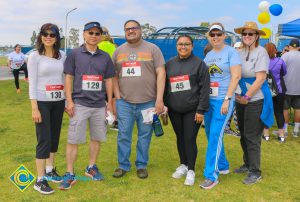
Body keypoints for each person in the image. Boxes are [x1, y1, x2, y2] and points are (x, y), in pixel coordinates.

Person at [59, 21, 115, 190]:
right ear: (84, 34)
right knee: (73, 139)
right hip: (80, 104)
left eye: (97, 33)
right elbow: (68, 78)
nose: (93, 36)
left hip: (99, 105)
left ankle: (91, 167)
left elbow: (109, 80)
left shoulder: (105, 56)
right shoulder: (74, 54)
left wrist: (110, 103)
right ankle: (69, 173)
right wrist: (69, 100)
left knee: (97, 138)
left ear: (101, 36)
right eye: (90, 33)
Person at [112, 19, 165, 179]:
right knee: (123, 135)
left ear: (140, 30)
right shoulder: (118, 51)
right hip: (125, 103)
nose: (130, 31)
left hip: (148, 102)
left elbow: (161, 73)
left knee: (144, 135)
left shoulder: (153, 49)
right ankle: (123, 165)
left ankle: (141, 165)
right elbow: (113, 76)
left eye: (134, 28)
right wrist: (117, 96)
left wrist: (159, 99)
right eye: (127, 29)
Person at [199, 23, 241, 189]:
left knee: (215, 135)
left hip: (223, 100)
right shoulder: (208, 55)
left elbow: (236, 76)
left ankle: (211, 175)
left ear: (224, 35)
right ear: (209, 36)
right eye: (212, 34)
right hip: (208, 100)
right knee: (210, 134)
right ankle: (223, 165)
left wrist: (227, 99)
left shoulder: (231, 52)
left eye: (218, 34)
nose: (215, 37)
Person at [164, 35, 210, 186]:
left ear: (192, 46)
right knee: (180, 137)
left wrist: (201, 110)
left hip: (193, 109)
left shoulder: (199, 64)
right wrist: (164, 105)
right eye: (180, 44)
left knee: (189, 138)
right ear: (176, 46)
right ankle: (183, 164)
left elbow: (204, 89)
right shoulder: (170, 63)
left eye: (186, 44)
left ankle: (191, 169)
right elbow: (166, 86)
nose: (183, 47)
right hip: (174, 109)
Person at [28, 23, 66, 194]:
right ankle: (40, 179)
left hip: (58, 102)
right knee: (44, 139)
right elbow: (32, 84)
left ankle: (50, 171)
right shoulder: (35, 57)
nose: (48, 37)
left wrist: (67, 100)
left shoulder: (63, 56)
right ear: (40, 36)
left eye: (52, 34)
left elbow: (65, 79)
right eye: (45, 34)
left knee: (54, 137)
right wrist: (34, 108)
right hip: (42, 102)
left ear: (57, 37)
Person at [234, 22, 274, 185]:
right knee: (243, 134)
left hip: (255, 99)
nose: (247, 37)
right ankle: (247, 163)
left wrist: (247, 97)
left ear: (257, 36)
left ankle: (255, 171)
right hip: (240, 98)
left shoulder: (261, 52)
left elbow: (261, 78)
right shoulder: (239, 51)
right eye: (245, 34)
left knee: (252, 136)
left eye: (251, 34)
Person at [263, 43, 287, 142]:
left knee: (266, 111)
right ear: (275, 50)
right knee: (279, 112)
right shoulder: (280, 61)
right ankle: (281, 135)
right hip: (279, 90)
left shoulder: (262, 62)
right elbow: (284, 72)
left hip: (266, 90)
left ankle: (266, 134)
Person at [97, 26, 119, 131]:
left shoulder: (97, 45)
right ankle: (116, 122)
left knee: (102, 100)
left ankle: (104, 121)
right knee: (113, 101)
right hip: (114, 77)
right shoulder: (114, 46)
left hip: (101, 78)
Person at [281, 39, 300, 138]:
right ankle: (296, 131)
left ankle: (285, 130)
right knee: (298, 109)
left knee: (285, 109)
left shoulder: (285, 56)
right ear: (298, 47)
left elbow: (280, 70)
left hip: (286, 87)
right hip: (298, 88)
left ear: (289, 46)